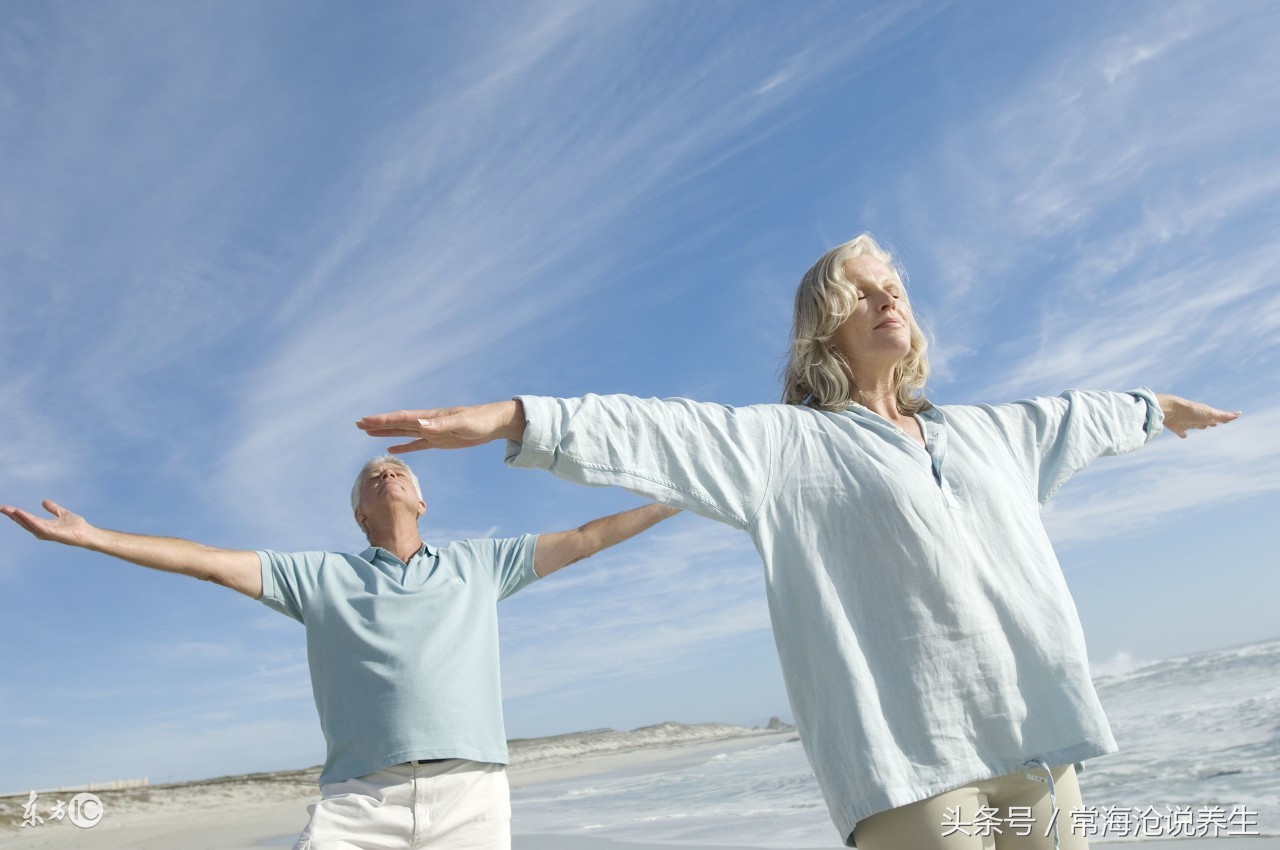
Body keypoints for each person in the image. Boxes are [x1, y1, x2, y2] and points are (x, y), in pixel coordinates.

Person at [355, 234, 1240, 849]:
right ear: (824, 320)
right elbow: (658, 428)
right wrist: (516, 416)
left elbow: (1084, 414)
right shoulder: (786, 446)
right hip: (911, 769)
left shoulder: (989, 434)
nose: (885, 296)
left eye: (893, 285)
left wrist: (1159, 408)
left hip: (1040, 748)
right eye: (861, 288)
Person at [2, 454, 678, 849]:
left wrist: (679, 497)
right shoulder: (318, 577)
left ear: (422, 498)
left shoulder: (481, 564)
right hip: (359, 801)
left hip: (471, 792)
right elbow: (206, 561)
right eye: (371, 476)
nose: (385, 473)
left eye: (398, 469)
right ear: (358, 513)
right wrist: (92, 537)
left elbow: (588, 536)